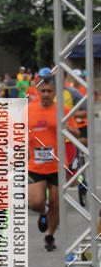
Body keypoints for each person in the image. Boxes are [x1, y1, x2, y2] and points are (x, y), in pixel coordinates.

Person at [27, 75, 78, 251]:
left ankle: (50, 236)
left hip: (57, 165)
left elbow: (76, 134)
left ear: (55, 92)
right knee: (34, 202)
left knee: (56, 203)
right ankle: (43, 212)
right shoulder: (29, 111)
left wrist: (66, 128)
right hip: (36, 166)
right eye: (43, 91)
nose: (46, 94)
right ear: (38, 91)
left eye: (50, 91)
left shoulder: (63, 110)